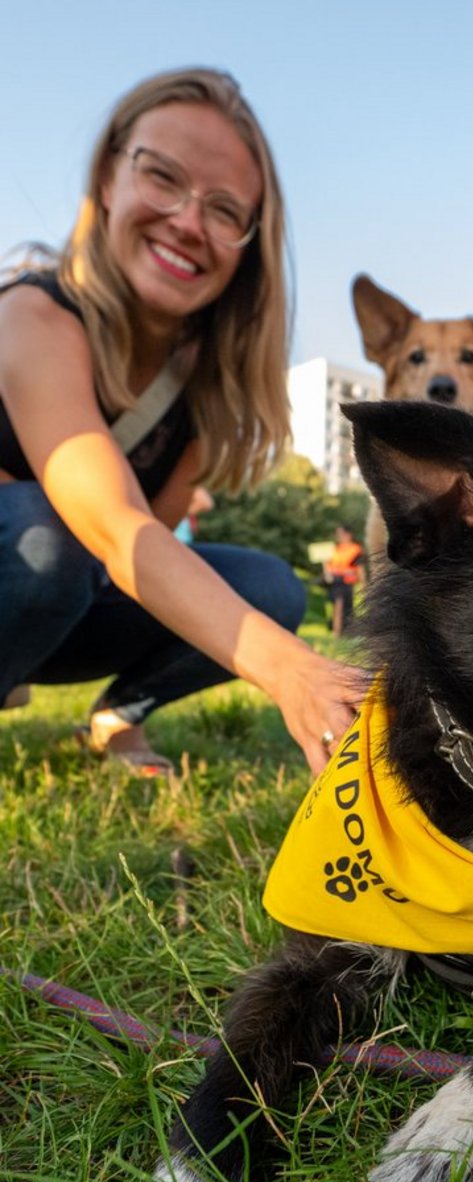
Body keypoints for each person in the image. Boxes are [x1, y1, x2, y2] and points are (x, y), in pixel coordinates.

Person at [0, 68, 359, 777]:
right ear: (108, 178)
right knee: (50, 535)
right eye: (162, 177)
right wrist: (296, 673)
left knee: (271, 587)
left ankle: (116, 718)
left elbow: (144, 552)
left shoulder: (199, 387)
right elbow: (107, 525)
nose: (189, 223)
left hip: (62, 602)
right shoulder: (32, 315)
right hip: (28, 571)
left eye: (225, 210)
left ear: (248, 244)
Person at [324, 524, 365, 638]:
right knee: (338, 605)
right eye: (337, 534)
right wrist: (328, 572)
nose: (338, 536)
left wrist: (363, 583)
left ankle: (348, 633)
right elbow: (328, 565)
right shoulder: (334, 549)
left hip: (349, 583)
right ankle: (336, 633)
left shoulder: (355, 549)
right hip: (336, 582)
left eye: (341, 534)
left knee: (348, 608)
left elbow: (360, 568)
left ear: (348, 535)